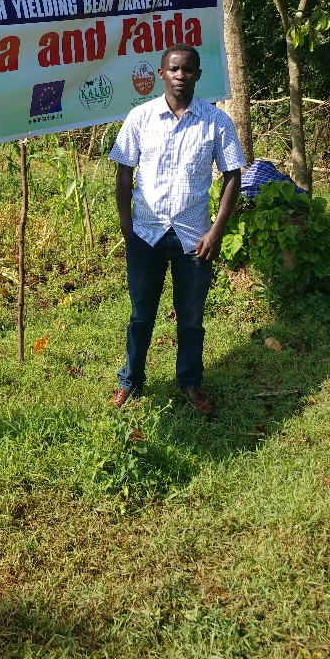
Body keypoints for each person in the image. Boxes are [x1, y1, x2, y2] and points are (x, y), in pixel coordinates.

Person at [107, 44, 246, 415]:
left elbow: (234, 175)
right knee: (140, 315)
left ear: (198, 75)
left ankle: (191, 383)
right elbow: (123, 172)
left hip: (193, 237)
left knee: (191, 318)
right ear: (161, 73)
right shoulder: (140, 117)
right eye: (173, 69)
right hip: (146, 234)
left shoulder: (216, 122)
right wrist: (126, 225)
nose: (180, 76)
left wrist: (216, 232)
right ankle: (130, 382)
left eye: (187, 69)